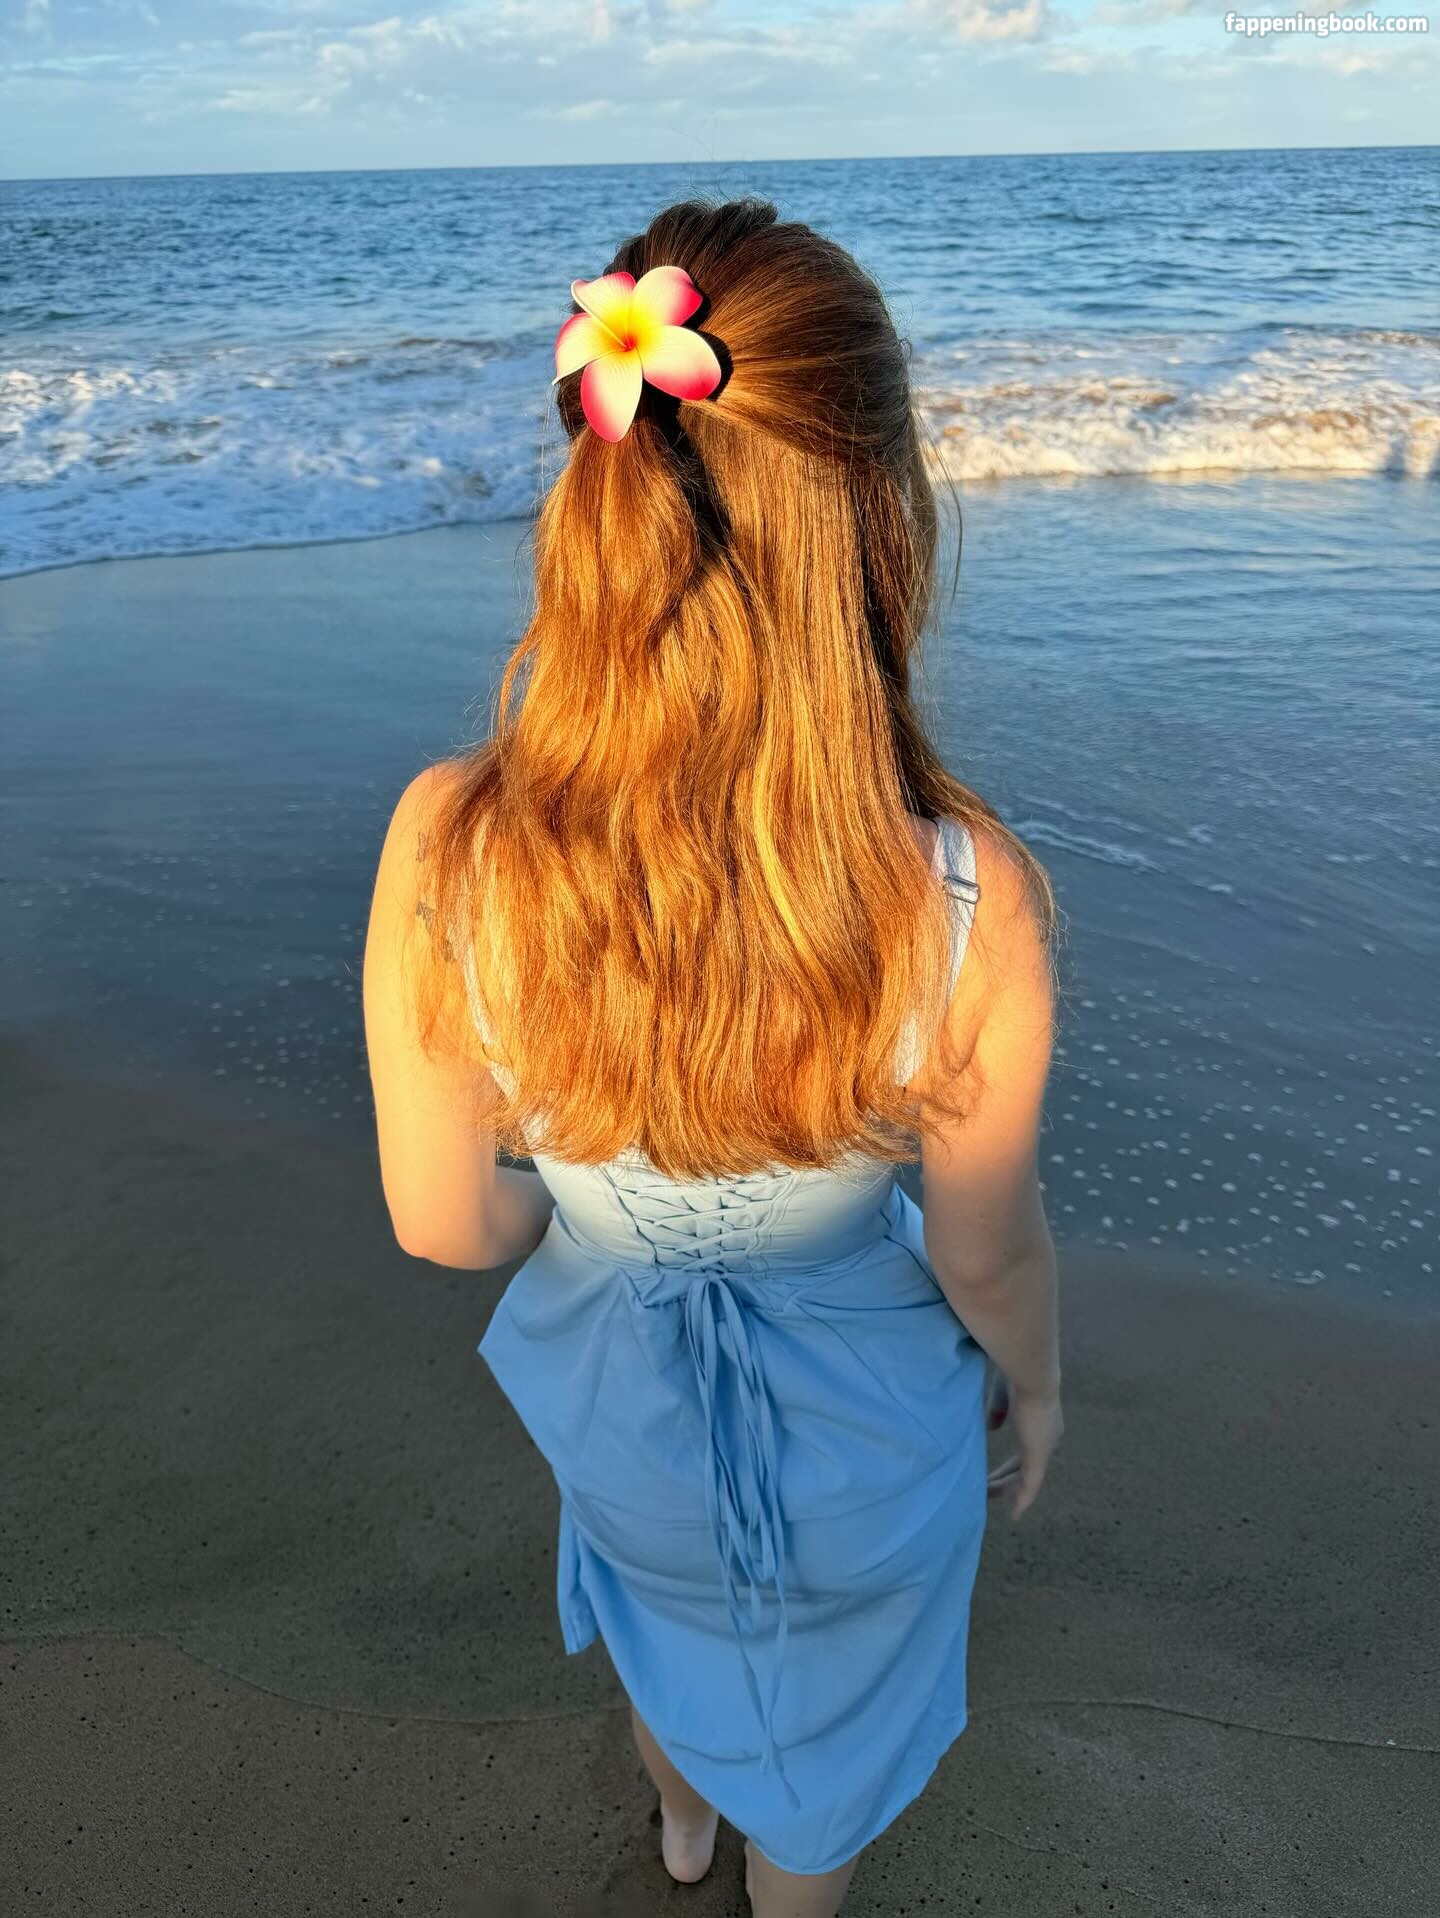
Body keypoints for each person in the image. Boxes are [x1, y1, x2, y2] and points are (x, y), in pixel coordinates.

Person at [363, 197, 1062, 1918]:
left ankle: (678, 1830)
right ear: (880, 516)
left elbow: (442, 1221)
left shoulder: (452, 840)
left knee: (668, 1626)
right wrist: (1038, 1386)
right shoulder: (963, 890)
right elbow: (986, 1250)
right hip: (863, 1429)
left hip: (620, 1403)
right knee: (822, 1760)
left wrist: (580, 1222)